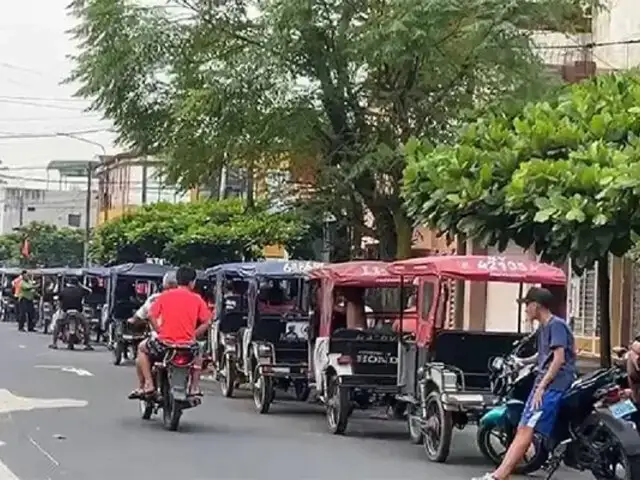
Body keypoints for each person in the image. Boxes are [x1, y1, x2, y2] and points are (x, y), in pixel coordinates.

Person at [473, 287, 577, 480]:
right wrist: (523, 361)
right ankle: (501, 473)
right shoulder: (544, 328)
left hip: (554, 385)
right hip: (543, 383)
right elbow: (544, 356)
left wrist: (542, 386)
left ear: (536, 305)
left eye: (527, 305)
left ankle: (499, 476)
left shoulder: (557, 325)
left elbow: (558, 359)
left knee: (526, 429)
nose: (526, 310)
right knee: (523, 428)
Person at [129, 266, 211, 399]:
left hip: (164, 344)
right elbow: (207, 322)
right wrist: (193, 335)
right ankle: (194, 387)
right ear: (192, 282)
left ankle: (149, 384)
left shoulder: (163, 296)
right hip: (187, 345)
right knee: (199, 351)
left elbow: (150, 315)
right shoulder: (197, 299)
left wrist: (159, 331)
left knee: (141, 348)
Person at [49, 277, 93, 350]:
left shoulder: (63, 291)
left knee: (58, 324)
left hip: (65, 312)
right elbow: (90, 291)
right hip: (77, 312)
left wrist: (60, 308)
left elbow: (59, 302)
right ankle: (87, 344)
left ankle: (54, 343)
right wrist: (81, 285)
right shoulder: (80, 290)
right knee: (86, 325)